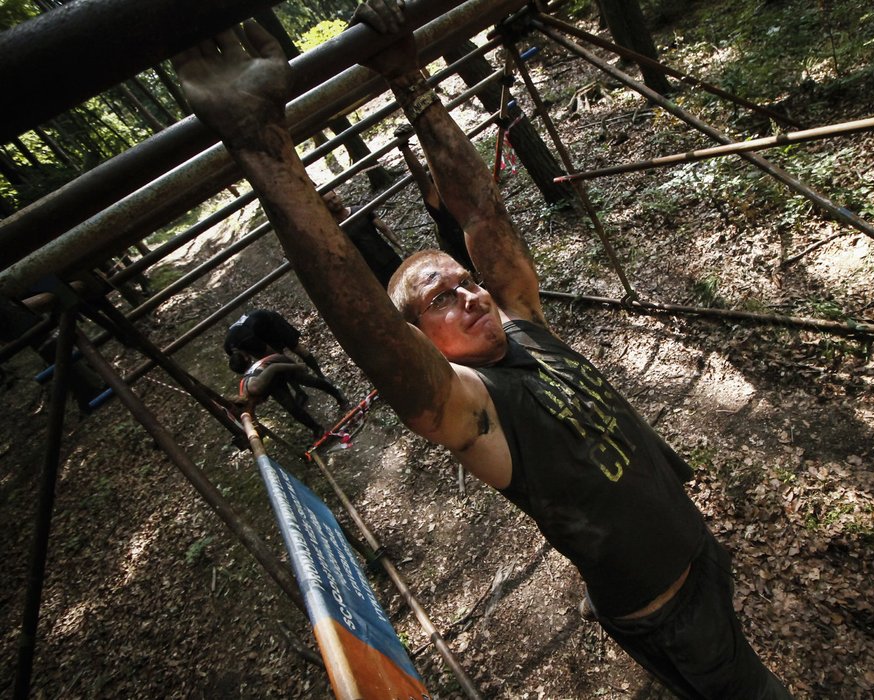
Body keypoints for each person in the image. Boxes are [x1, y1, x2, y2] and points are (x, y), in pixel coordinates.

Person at [173, 4, 791, 697]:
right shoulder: (471, 408)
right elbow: (371, 330)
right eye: (443, 299)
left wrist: (414, 84)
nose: (470, 296)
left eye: (467, 282)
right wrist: (264, 147)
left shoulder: (522, 321)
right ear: (421, 342)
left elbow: (481, 216)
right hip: (674, 608)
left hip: (694, 552)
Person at [393, 123, 474, 273]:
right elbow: (421, 177)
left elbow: (451, 156)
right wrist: (404, 147)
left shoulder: (462, 191)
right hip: (466, 259)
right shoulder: (439, 204)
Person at [236, 352, 348, 438]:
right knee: (291, 407)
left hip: (278, 364)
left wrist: (298, 366)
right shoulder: (245, 399)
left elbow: (274, 368)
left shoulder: (254, 387)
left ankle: (339, 396)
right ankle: (316, 428)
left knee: (309, 381)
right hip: (271, 382)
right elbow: (251, 417)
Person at [321, 190, 404, 287]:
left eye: (334, 198)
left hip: (389, 257)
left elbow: (384, 229)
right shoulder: (334, 229)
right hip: (371, 271)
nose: (334, 202)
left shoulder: (361, 210)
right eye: (329, 202)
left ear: (337, 196)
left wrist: (401, 246)